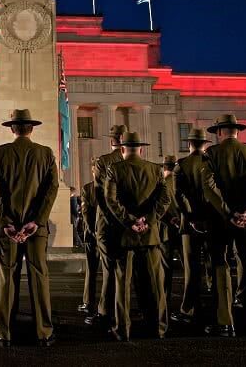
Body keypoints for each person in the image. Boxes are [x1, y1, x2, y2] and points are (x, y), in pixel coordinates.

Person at [0, 109, 59, 347]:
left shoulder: (0, 153)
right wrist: (36, 221)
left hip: (8, 228)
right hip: (35, 229)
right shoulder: (45, 154)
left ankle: (4, 331)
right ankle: (44, 332)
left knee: (8, 278)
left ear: (12, 129)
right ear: (31, 128)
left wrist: (6, 221)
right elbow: (51, 190)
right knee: (39, 277)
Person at [201, 114, 246, 337]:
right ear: (236, 131)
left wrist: (228, 213)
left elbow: (209, 187)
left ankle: (225, 322)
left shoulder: (212, 154)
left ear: (220, 132)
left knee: (222, 267)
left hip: (222, 222)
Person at [105, 131, 170, 341]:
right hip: (150, 235)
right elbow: (165, 199)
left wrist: (130, 220)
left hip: (125, 236)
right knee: (155, 285)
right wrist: (148, 220)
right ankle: (158, 328)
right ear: (141, 148)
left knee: (123, 285)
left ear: (122, 149)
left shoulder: (114, 169)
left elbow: (110, 200)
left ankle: (122, 329)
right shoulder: (155, 169)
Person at [171, 128, 214, 325]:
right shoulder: (213, 164)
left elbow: (179, 195)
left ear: (189, 144)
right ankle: (218, 306)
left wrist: (190, 217)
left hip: (190, 224)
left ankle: (190, 308)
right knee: (214, 267)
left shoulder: (182, 165)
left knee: (192, 269)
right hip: (213, 222)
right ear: (205, 144)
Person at [85, 124, 127, 330]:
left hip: (108, 223)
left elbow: (101, 195)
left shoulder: (103, 162)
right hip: (129, 223)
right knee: (129, 270)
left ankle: (105, 312)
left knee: (109, 269)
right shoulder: (130, 162)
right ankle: (127, 312)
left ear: (112, 141)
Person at [159, 155, 182, 310]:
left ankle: (165, 299)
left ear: (163, 167)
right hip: (184, 228)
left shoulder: (162, 185)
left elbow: (160, 207)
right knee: (188, 265)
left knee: (166, 268)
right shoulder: (180, 182)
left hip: (167, 229)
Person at [78, 159, 100, 315]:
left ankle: (88, 301)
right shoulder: (110, 188)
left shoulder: (87, 189)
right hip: (107, 236)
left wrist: (93, 231)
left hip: (92, 236)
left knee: (91, 271)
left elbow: (86, 214)